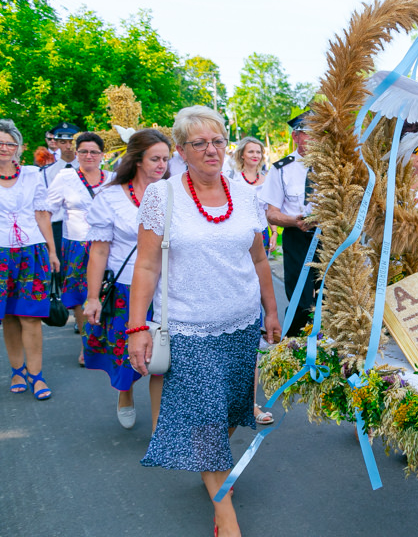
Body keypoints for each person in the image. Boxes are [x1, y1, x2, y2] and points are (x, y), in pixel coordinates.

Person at [127, 105, 280, 537]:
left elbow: (259, 257)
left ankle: (208, 466)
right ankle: (225, 515)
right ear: (181, 150)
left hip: (243, 321)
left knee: (231, 409)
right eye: (199, 143)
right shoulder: (163, 195)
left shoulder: (247, 195)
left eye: (217, 141)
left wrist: (271, 311)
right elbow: (146, 266)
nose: (211, 150)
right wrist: (137, 326)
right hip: (189, 328)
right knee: (207, 416)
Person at [81, 129, 170, 430]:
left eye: (166, 159)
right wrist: (93, 297)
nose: (161, 165)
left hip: (165, 287)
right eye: (155, 159)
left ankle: (160, 425)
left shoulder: (173, 193)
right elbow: (99, 251)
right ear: (137, 160)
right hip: (126, 288)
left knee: (161, 353)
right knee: (126, 351)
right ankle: (125, 394)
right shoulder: (110, 197)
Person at [1, 119, 60, 400]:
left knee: (30, 315)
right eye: (0, 143)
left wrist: (51, 250)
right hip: (1, 253)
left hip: (31, 250)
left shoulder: (32, 174)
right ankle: (16, 369)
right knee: (9, 316)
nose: (4, 148)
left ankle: (36, 375)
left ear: (18, 148)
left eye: (10, 143)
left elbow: (41, 214)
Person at [46, 132, 114, 364]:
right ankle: (87, 346)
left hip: (108, 244)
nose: (88, 156)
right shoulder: (66, 177)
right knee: (80, 297)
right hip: (76, 244)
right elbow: (45, 210)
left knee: (109, 293)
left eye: (94, 151)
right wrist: (50, 247)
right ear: (76, 154)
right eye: (83, 151)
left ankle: (108, 341)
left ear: (102, 155)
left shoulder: (113, 178)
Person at [228, 135, 278, 426]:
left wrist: (271, 231)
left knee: (252, 339)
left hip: (254, 248)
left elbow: (268, 210)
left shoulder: (267, 179)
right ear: (242, 156)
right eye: (251, 151)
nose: (256, 155)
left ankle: (249, 402)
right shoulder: (230, 182)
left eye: (259, 151)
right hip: (229, 262)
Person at [259, 111, 318, 336]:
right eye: (308, 134)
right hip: (297, 237)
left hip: (330, 238)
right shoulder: (281, 169)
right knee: (301, 301)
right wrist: (293, 221)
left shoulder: (333, 167)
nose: (314, 139)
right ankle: (293, 348)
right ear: (296, 136)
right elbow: (272, 214)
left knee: (331, 299)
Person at [40, 122, 80, 286]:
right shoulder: (46, 172)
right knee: (58, 272)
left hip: (80, 226)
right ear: (55, 143)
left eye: (71, 141)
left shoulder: (89, 169)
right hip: (56, 225)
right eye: (63, 142)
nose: (68, 146)